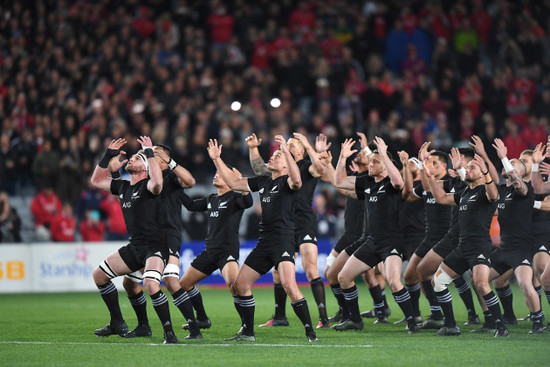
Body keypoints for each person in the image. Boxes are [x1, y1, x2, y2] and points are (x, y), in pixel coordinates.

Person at [208, 137, 318, 342]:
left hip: (284, 241)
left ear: (287, 162)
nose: (273, 156)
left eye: (278, 155)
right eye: (274, 154)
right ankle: (248, 333)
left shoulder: (288, 182)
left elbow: (297, 181)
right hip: (264, 242)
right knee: (240, 285)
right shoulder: (264, 181)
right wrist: (216, 159)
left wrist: (285, 151)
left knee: (289, 286)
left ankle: (310, 332)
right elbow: (233, 183)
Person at [90, 137, 178, 344]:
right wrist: (107, 155)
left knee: (149, 283)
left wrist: (148, 151)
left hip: (156, 247)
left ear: (146, 167)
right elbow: (96, 181)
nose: (130, 159)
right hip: (135, 247)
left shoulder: (150, 185)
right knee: (99, 276)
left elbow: (158, 181)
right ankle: (117, 322)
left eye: (136, 158)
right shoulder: (124, 188)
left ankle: (169, 334)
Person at [333, 137, 420, 334]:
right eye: (370, 161)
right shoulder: (366, 181)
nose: (370, 164)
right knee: (343, 277)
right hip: (371, 241)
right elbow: (339, 181)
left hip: (391, 241)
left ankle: (412, 321)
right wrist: (342, 157)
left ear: (385, 166)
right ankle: (355, 320)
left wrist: (383, 154)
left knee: (394, 281)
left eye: (375, 162)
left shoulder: (391, 182)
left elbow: (399, 181)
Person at [246, 132, 328, 328]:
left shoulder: (304, 166)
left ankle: (323, 319)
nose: (288, 146)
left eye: (293, 144)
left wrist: (310, 147)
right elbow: (259, 170)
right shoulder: (280, 168)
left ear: (301, 150)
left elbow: (320, 169)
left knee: (310, 269)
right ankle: (280, 317)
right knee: (277, 273)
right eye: (287, 144)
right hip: (285, 224)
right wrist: (253, 148)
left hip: (303, 222)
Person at [426, 145, 509, 337]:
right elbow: (439, 198)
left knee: (481, 284)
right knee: (437, 282)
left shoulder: (484, 192)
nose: (467, 170)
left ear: (481, 174)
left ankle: (501, 327)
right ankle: (451, 325)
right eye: (467, 168)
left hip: (479, 246)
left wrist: (487, 172)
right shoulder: (464, 193)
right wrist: (430, 176)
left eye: (472, 168)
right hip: (462, 246)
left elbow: (494, 195)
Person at [121, 144, 202, 340]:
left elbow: (190, 181)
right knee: (129, 283)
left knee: (170, 281)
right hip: (145, 240)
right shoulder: (146, 179)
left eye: (156, 153)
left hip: (166, 236)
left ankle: (195, 327)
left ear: (165, 158)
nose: (151, 154)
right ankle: (143, 325)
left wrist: (170, 163)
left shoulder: (171, 177)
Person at [178, 166, 253, 331]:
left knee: (234, 286)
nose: (216, 176)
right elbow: (190, 205)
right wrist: (176, 189)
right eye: (216, 173)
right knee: (184, 283)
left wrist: (243, 186)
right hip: (210, 251)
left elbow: (247, 202)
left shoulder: (235, 198)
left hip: (227, 250)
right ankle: (202, 319)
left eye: (221, 174)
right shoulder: (212, 198)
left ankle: (246, 327)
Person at [415, 146, 480, 328]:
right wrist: (425, 169)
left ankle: (482, 316)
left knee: (472, 280)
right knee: (425, 272)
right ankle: (438, 314)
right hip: (445, 236)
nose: (464, 169)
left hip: (462, 236)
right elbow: (432, 192)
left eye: (434, 163)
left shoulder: (461, 182)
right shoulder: (450, 182)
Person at [486, 138, 544, 334]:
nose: (510, 164)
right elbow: (493, 184)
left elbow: (519, 185)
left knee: (525, 284)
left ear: (519, 172)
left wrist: (503, 158)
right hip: (504, 248)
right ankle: (496, 319)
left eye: (514, 164)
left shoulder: (525, 190)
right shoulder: (504, 191)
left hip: (521, 248)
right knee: (480, 279)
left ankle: (537, 322)